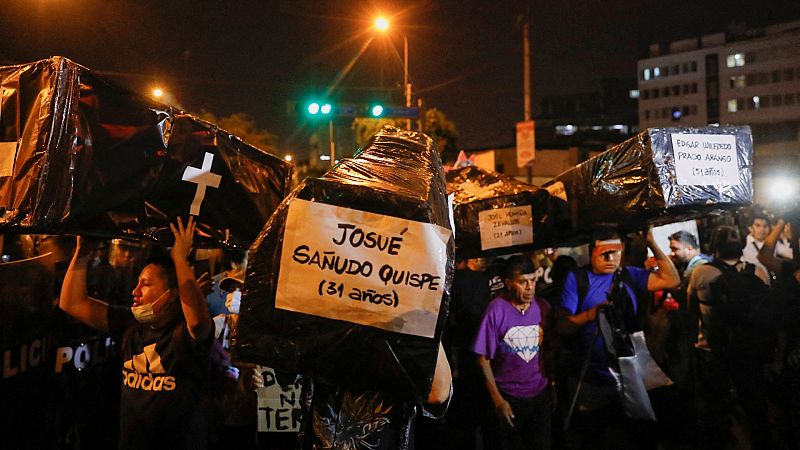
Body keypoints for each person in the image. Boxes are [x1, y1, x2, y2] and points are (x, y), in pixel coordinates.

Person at [59, 217, 215, 450]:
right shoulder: (132, 325)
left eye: (146, 284)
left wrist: (179, 259)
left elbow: (199, 323)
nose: (135, 291)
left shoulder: (184, 333)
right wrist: (82, 252)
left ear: (172, 295)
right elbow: (72, 303)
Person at [556, 227, 680, 449]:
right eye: (604, 252)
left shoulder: (630, 276)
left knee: (637, 436)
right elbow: (563, 326)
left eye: (616, 252)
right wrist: (589, 315)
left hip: (630, 376)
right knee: (594, 438)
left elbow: (671, 279)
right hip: (591, 379)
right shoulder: (577, 280)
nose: (610, 258)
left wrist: (652, 243)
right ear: (591, 252)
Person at [687, 225, 772, 450]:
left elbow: (690, 309)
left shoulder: (702, 273)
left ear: (714, 246)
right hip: (749, 350)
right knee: (754, 406)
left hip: (713, 351)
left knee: (713, 408)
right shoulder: (759, 272)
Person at [472, 255, 554, 450]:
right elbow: (482, 359)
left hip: (539, 395)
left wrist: (552, 385)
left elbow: (548, 350)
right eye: (523, 282)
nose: (530, 287)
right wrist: (498, 401)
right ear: (509, 283)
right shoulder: (496, 310)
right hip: (509, 396)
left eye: (533, 280)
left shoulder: (543, 307)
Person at [741, 211, 778, 285]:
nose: (762, 229)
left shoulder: (774, 244)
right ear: (750, 228)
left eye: (765, 226)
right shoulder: (744, 245)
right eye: (757, 225)